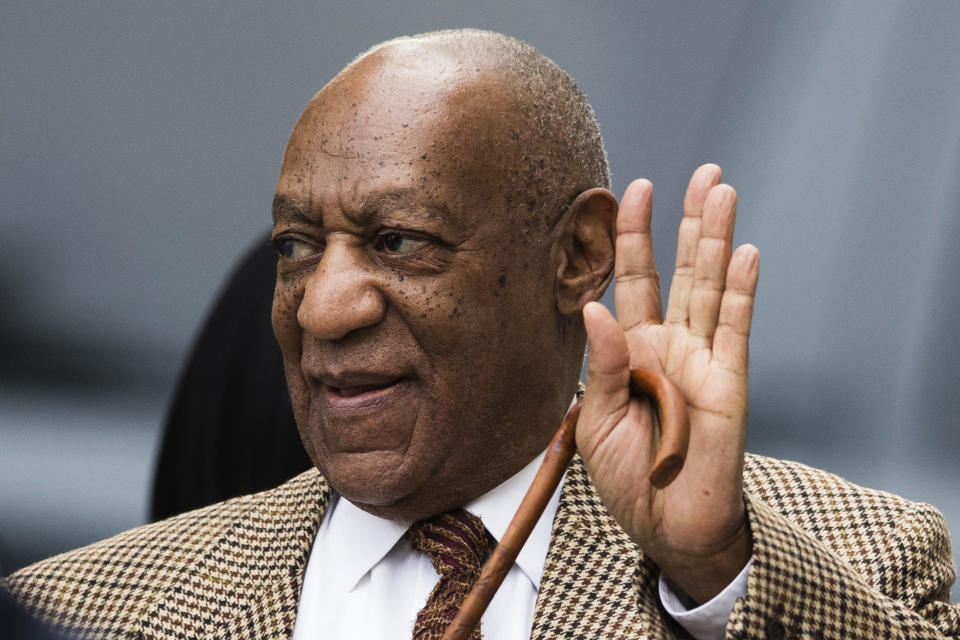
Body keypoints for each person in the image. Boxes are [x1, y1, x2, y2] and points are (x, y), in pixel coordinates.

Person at [3, 29, 957, 639]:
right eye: (297, 246)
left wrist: (712, 574)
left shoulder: (851, 560)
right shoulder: (85, 607)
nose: (324, 307)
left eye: (398, 240)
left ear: (578, 255)